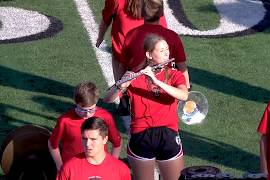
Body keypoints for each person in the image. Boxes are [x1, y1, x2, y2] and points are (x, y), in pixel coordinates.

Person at [104, 34, 188, 180]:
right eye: (161, 50)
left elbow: (184, 95)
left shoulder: (175, 75)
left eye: (167, 49)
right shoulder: (135, 76)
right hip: (141, 135)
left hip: (168, 134)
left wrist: (156, 81)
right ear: (149, 54)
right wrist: (120, 85)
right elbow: (108, 99)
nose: (167, 53)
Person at [48, 81, 122, 171]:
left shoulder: (105, 117)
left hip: (99, 168)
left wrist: (112, 164)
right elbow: (52, 144)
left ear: (96, 102)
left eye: (91, 109)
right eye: (82, 110)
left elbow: (117, 142)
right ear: (75, 102)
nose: (87, 114)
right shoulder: (65, 121)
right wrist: (60, 167)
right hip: (73, 169)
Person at [121, 0, 190, 89]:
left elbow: (123, 64)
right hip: (166, 87)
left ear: (141, 12)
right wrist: (187, 88)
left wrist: (122, 88)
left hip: (138, 88)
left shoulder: (131, 35)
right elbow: (182, 66)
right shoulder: (173, 36)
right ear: (162, 13)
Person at [96, 0, 167, 81]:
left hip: (126, 53)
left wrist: (100, 38)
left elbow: (106, 19)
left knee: (118, 58)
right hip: (154, 50)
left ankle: (120, 87)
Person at [56, 117, 131, 180]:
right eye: (84, 139)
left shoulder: (121, 170)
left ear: (105, 139)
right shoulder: (69, 168)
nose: (88, 144)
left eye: (93, 139)